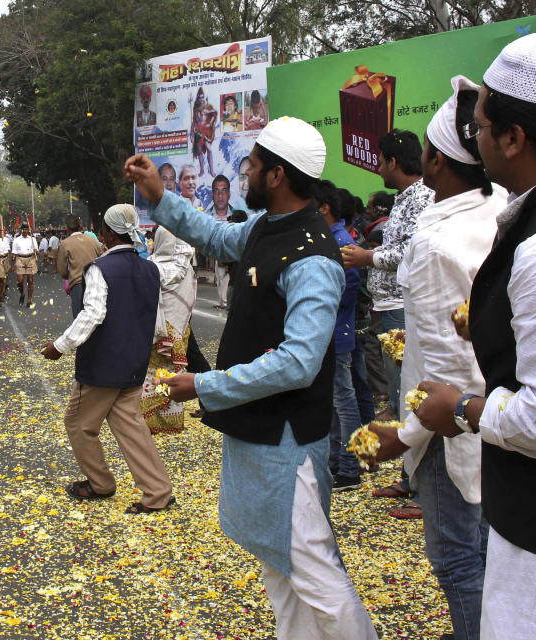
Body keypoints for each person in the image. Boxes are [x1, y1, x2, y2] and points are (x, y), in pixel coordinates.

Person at [125, 116, 378, 639]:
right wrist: (159, 195)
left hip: (286, 439)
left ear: (278, 176)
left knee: (312, 569)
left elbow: (297, 362)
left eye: (254, 166)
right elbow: (215, 235)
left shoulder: (313, 258)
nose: (247, 175)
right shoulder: (266, 228)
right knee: (280, 567)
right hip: (260, 430)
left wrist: (206, 384)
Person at [413, 34, 536, 640]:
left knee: (470, 569)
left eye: (486, 126)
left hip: (531, 509)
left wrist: (460, 410)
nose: (479, 140)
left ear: (514, 139)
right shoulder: (518, 218)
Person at [359, 75, 501, 640]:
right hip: (493, 414)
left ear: (437, 163)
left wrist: (406, 435)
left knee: (458, 559)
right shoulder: (496, 214)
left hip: (450, 427)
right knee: (489, 544)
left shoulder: (435, 243)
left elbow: (448, 373)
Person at [41, 203, 174, 514]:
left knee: (77, 424)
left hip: (103, 366)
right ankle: (158, 491)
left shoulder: (100, 268)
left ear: (110, 235)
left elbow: (93, 314)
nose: (100, 236)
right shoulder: (149, 268)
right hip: (134, 363)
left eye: (101, 231)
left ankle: (101, 484)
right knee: (130, 424)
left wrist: (60, 346)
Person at [342, 129, 434, 517]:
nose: (377, 167)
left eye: (380, 161)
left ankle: (423, 490)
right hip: (389, 304)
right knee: (399, 396)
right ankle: (408, 476)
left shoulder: (423, 197)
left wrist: (369, 259)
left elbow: (413, 250)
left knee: (413, 396)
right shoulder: (403, 199)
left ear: (395, 162)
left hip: (403, 305)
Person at [314, 181, 364, 492]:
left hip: (337, 332)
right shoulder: (329, 238)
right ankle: (336, 462)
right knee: (334, 401)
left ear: (325, 208)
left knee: (344, 401)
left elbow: (349, 286)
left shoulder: (341, 243)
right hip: (329, 332)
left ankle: (350, 467)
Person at [140, 226, 195, 434]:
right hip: (179, 328)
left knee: (153, 372)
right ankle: (169, 419)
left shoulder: (151, 266)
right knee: (171, 372)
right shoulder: (186, 266)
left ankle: (150, 418)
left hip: (156, 329)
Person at [56, 214, 102, 318]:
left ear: (67, 228)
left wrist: (69, 276)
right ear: (80, 226)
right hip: (95, 283)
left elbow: (62, 269)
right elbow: (102, 258)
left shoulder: (65, 243)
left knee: (79, 318)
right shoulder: (93, 240)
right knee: (95, 316)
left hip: (78, 283)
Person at [210, 175, 233, 309]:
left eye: (224, 190)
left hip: (227, 257)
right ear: (212, 194)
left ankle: (225, 302)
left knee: (226, 280)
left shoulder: (235, 217)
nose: (220, 195)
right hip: (218, 257)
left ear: (229, 194)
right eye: (216, 191)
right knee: (219, 279)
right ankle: (221, 301)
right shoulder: (205, 216)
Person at [11, 223, 38, 307]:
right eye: (23, 229)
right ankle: (22, 294)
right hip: (20, 259)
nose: (25, 231)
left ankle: (29, 300)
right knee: (20, 281)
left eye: (26, 229)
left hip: (30, 259)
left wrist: (35, 251)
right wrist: (12, 265)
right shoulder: (16, 240)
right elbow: (14, 253)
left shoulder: (33, 239)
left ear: (28, 230)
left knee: (30, 280)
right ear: (21, 230)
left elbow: (37, 252)